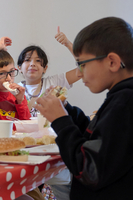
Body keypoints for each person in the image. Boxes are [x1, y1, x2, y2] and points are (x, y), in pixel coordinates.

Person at [34, 16, 133, 199]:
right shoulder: (121, 97)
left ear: (112, 62)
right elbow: (94, 138)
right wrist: (66, 110)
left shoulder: (124, 103)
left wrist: (61, 121)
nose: (80, 72)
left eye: (82, 64)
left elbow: (87, 169)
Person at [17, 27, 80, 117]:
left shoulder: (54, 83)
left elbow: (83, 69)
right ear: (19, 68)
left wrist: (68, 44)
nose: (32, 64)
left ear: (45, 68)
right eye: (27, 60)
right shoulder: (15, 89)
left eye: (38, 61)